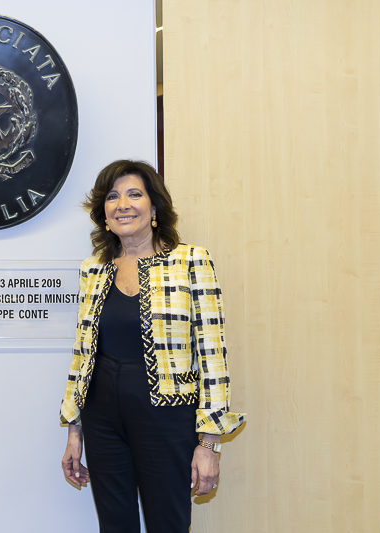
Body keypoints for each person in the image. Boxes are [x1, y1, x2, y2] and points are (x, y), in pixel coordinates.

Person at [60, 160, 245, 532]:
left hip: (166, 416)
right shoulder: (93, 269)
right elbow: (83, 355)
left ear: (155, 207)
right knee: (115, 525)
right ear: (104, 214)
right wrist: (74, 430)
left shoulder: (190, 261)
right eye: (112, 197)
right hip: (102, 418)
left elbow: (213, 355)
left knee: (168, 524)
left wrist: (209, 445)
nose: (122, 204)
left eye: (134, 194)